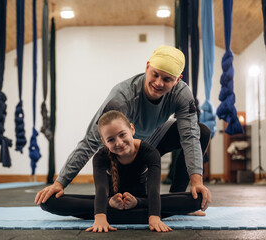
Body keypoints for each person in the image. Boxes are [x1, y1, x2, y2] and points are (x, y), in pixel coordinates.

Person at [35, 45, 211, 211]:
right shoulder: (122, 97)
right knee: (120, 200)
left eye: (167, 79)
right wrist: (60, 183)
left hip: (152, 143)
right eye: (155, 74)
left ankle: (177, 196)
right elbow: (90, 142)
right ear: (147, 67)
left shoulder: (181, 93)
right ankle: (167, 204)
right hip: (123, 154)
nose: (159, 83)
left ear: (177, 80)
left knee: (201, 131)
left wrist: (197, 181)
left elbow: (190, 137)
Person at [40, 110, 203, 232]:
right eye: (110, 139)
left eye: (122, 134)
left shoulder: (150, 152)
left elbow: (154, 190)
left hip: (143, 202)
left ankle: (122, 211)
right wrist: (101, 215)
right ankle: (121, 211)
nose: (118, 142)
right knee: (48, 201)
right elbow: (101, 190)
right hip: (110, 203)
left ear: (132, 129)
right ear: (103, 141)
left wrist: (152, 215)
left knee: (198, 199)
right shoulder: (101, 157)